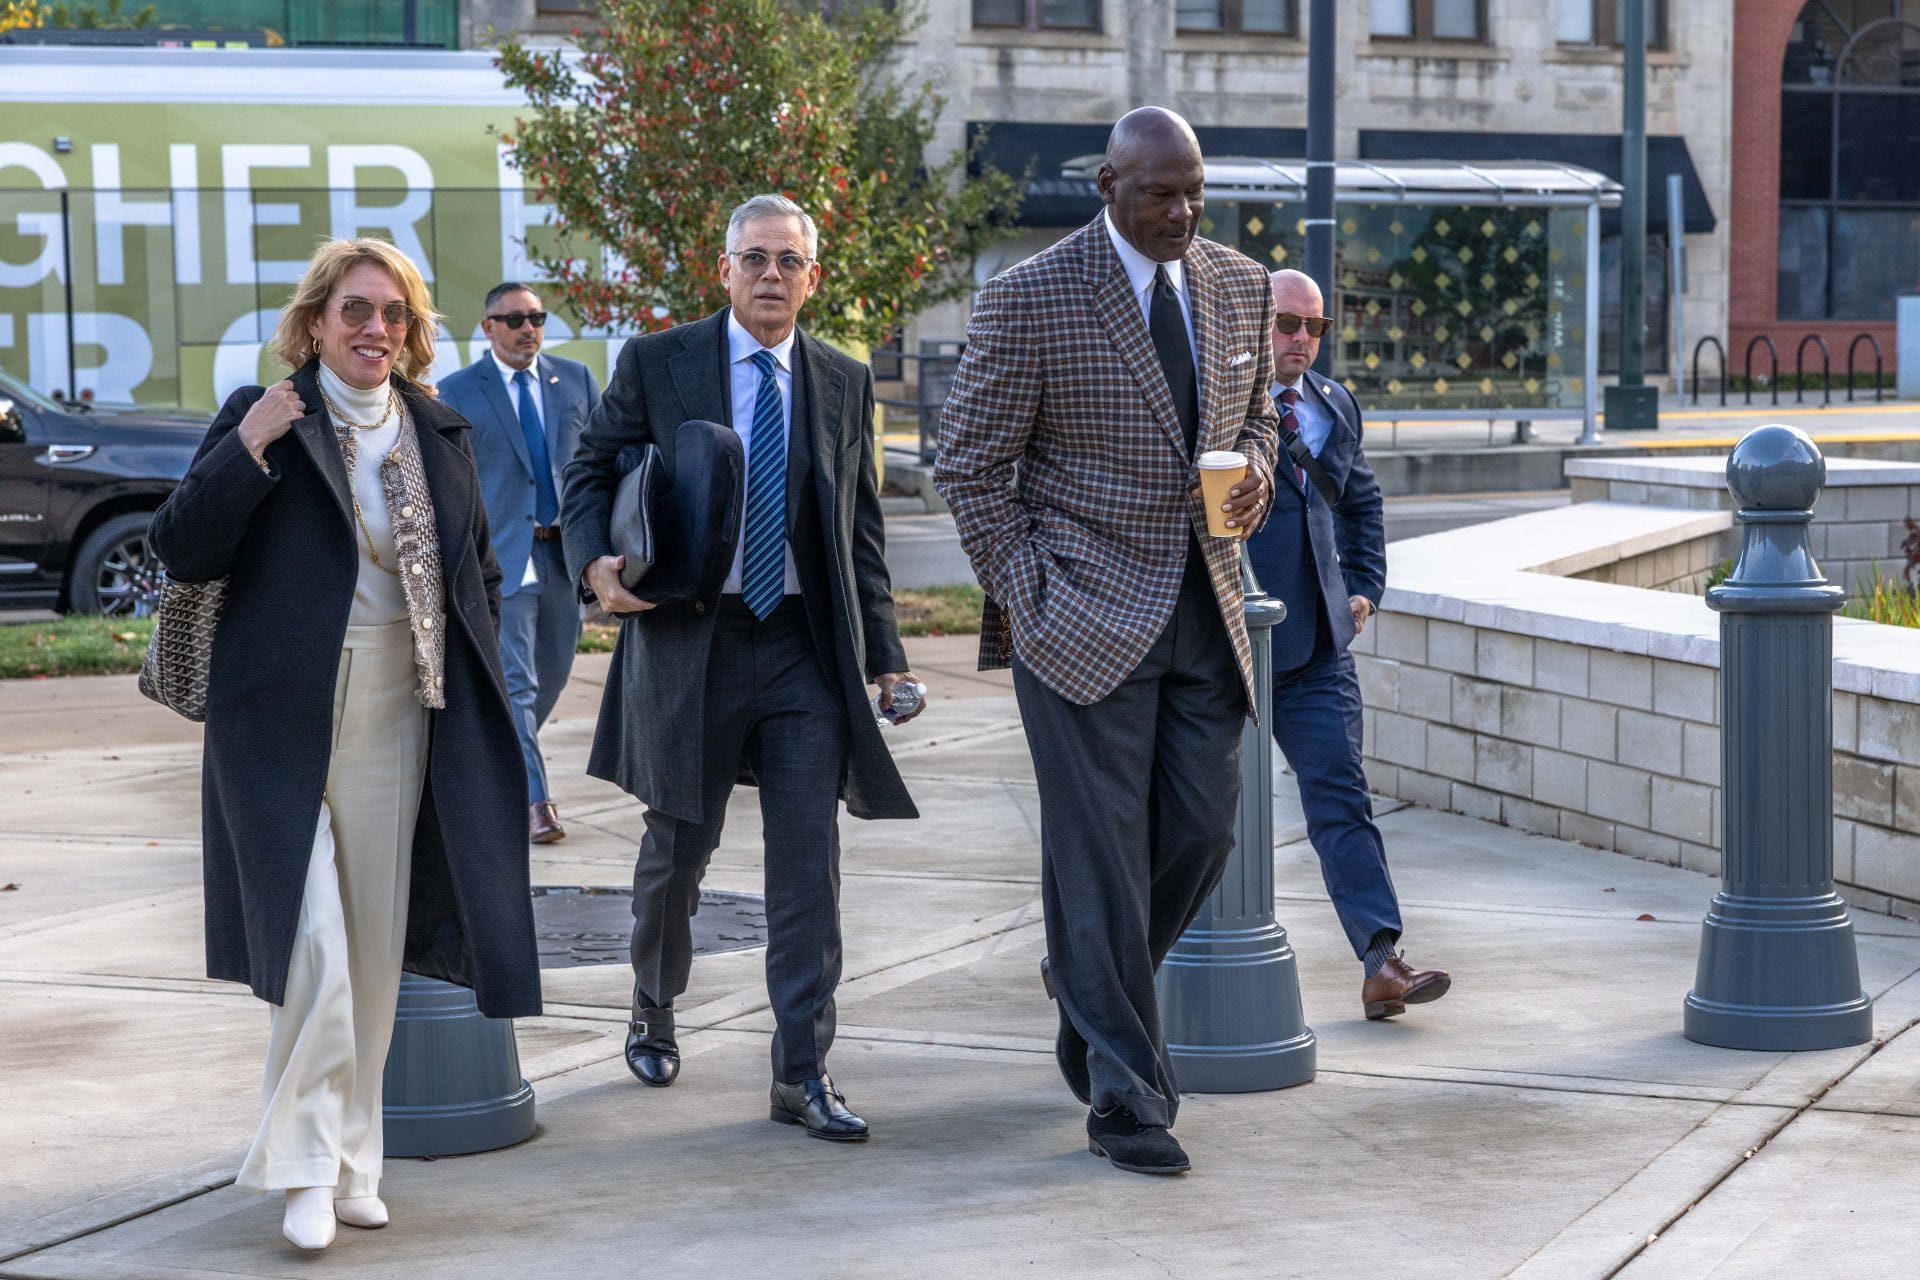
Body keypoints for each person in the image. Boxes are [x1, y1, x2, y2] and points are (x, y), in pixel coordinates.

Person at [148, 237, 542, 1252]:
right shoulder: (263, 415)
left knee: (371, 952)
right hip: (278, 716)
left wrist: (481, 682)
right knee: (314, 945)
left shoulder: (437, 429)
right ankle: (305, 1167)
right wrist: (251, 449)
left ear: (411, 332)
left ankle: (357, 1159)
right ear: (315, 320)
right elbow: (182, 543)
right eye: (355, 310)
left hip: (401, 706)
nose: (375, 329)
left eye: (395, 314)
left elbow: (480, 577)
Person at [936, 108, 1278, 1176]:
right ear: (1107, 185)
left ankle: (1085, 981)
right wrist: (1028, 592)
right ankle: (1130, 1097)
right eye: (1159, 194)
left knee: (1202, 833)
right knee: (1101, 859)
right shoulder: (1031, 295)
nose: (1180, 212)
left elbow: (1260, 413)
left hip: (1207, 610)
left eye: (1193, 193)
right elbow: (966, 463)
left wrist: (1258, 466)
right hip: (1078, 620)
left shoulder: (1240, 286)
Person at [560, 194, 920, 1142]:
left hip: (803, 651)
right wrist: (594, 560)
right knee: (678, 853)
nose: (771, 275)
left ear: (813, 275)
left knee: (809, 869)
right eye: (754, 258)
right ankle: (653, 1002)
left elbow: (860, 533)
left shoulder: (842, 379)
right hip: (694, 643)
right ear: (724, 269)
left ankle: (800, 1071)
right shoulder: (658, 361)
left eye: (788, 261)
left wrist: (884, 658)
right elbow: (590, 467)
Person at [1247, 268, 1451, 1020]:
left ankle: (1381, 960)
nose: (1301, 340)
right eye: (1286, 324)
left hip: (1317, 654)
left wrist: (1363, 588)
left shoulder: (1333, 405)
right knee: (1190, 820)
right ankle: (1091, 957)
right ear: (1254, 323)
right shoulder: (1217, 402)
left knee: (1342, 800)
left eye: (1314, 328)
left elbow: (1363, 504)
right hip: (1229, 649)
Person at [439, 282, 602, 844]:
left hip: (566, 554)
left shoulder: (575, 380)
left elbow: (607, 457)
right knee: (519, 682)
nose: (527, 328)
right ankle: (534, 800)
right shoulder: (458, 391)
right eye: (513, 320)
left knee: (552, 672)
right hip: (503, 555)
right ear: (488, 327)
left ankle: (501, 758)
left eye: (536, 317)